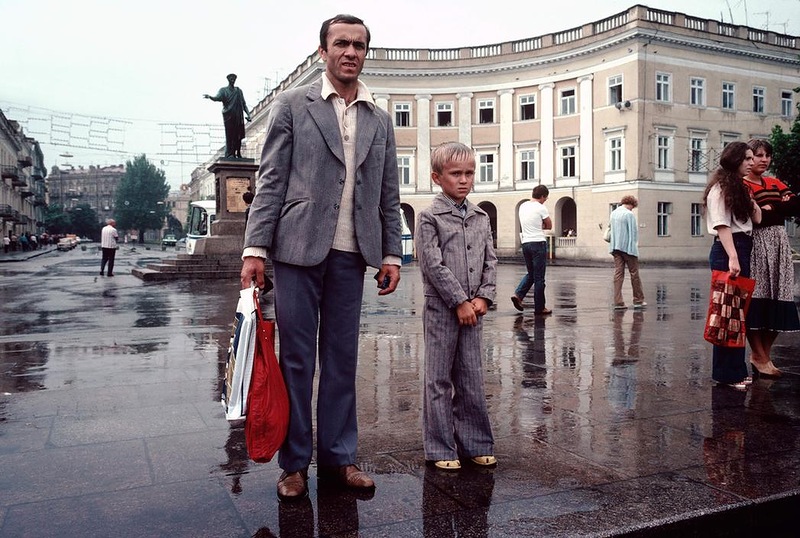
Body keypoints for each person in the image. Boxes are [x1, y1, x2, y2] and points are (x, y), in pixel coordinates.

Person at [240, 14, 402, 501]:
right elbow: (271, 180)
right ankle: (293, 464)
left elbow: (387, 194)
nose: (350, 52)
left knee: (341, 359)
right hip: (296, 250)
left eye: (358, 45)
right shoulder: (293, 104)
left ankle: (339, 456)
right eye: (341, 43)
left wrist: (392, 252)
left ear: (365, 53)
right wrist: (255, 249)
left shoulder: (380, 118)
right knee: (296, 359)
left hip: (353, 254)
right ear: (322, 52)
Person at [416, 142, 497, 471]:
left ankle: (476, 442)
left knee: (472, 376)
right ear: (437, 177)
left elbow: (491, 259)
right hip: (442, 310)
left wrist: (484, 296)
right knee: (438, 379)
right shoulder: (429, 217)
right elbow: (432, 265)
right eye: (456, 174)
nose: (464, 180)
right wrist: (460, 300)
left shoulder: (480, 216)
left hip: (473, 310)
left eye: (469, 173)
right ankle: (439, 447)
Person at [702, 141, 761, 390]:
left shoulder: (739, 188)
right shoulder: (719, 189)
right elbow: (722, 225)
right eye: (747, 158)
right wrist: (733, 258)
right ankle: (727, 374)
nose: (752, 162)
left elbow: (757, 218)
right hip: (729, 249)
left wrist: (751, 198)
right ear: (735, 160)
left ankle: (734, 372)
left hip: (741, 246)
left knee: (737, 314)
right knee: (727, 314)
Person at [743, 139, 798, 378]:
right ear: (748, 158)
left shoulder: (774, 182)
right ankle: (759, 354)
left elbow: (795, 206)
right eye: (758, 155)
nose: (764, 159)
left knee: (781, 297)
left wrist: (769, 208)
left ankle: (762, 354)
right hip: (756, 244)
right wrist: (777, 208)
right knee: (758, 299)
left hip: (779, 244)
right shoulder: (741, 185)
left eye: (768, 155)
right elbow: (754, 217)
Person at [511, 185, 552, 314]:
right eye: (545, 198)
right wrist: (541, 225)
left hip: (526, 243)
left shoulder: (523, 206)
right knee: (539, 278)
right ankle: (540, 307)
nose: (545, 200)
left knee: (531, 274)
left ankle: (518, 295)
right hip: (538, 243)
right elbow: (549, 225)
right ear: (542, 196)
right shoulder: (541, 207)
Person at [608, 195, 645, 310]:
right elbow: (633, 233)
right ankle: (638, 300)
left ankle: (618, 302)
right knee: (634, 274)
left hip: (615, 247)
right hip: (628, 249)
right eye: (633, 207)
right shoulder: (629, 215)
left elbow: (611, 230)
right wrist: (633, 249)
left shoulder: (613, 213)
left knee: (618, 274)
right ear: (631, 204)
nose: (632, 209)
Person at [204, 73, 251, 158]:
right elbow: (217, 98)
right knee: (230, 135)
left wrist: (249, 115)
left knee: (239, 136)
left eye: (234, 78)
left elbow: (244, 104)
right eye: (231, 78)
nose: (233, 80)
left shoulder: (239, 91)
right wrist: (210, 97)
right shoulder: (223, 90)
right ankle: (230, 154)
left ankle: (238, 153)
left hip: (238, 116)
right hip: (229, 117)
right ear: (228, 79)